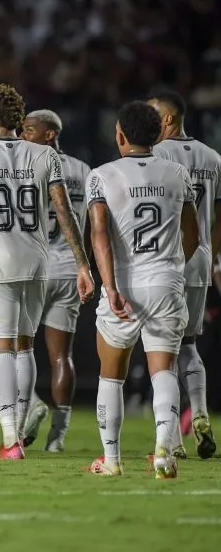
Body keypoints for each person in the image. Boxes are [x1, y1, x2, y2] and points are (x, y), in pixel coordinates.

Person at [0, 82, 94, 460]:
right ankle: (22, 426)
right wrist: (81, 262)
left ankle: (10, 438)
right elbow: (65, 212)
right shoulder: (45, 156)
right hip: (37, 262)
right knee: (26, 346)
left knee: (0, 349)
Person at [86, 101, 200, 477]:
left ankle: (112, 460)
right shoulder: (178, 174)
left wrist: (111, 285)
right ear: (156, 135)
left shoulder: (102, 176)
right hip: (166, 281)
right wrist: (169, 267)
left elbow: (100, 236)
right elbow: (193, 235)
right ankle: (164, 452)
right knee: (163, 370)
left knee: (111, 374)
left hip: (126, 283)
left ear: (120, 134)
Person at [148, 89, 219, 460]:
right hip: (201, 260)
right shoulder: (214, 158)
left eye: (151, 115)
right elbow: (218, 220)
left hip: (167, 260)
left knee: (165, 351)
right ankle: (202, 413)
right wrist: (211, 256)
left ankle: (173, 438)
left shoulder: (156, 155)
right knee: (188, 343)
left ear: (169, 119)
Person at [19, 109, 92, 452]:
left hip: (32, 269)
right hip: (69, 269)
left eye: (30, 130)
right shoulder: (84, 171)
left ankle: (31, 404)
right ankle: (58, 437)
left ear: (50, 134)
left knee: (16, 349)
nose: (23, 135)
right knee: (62, 356)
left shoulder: (26, 166)